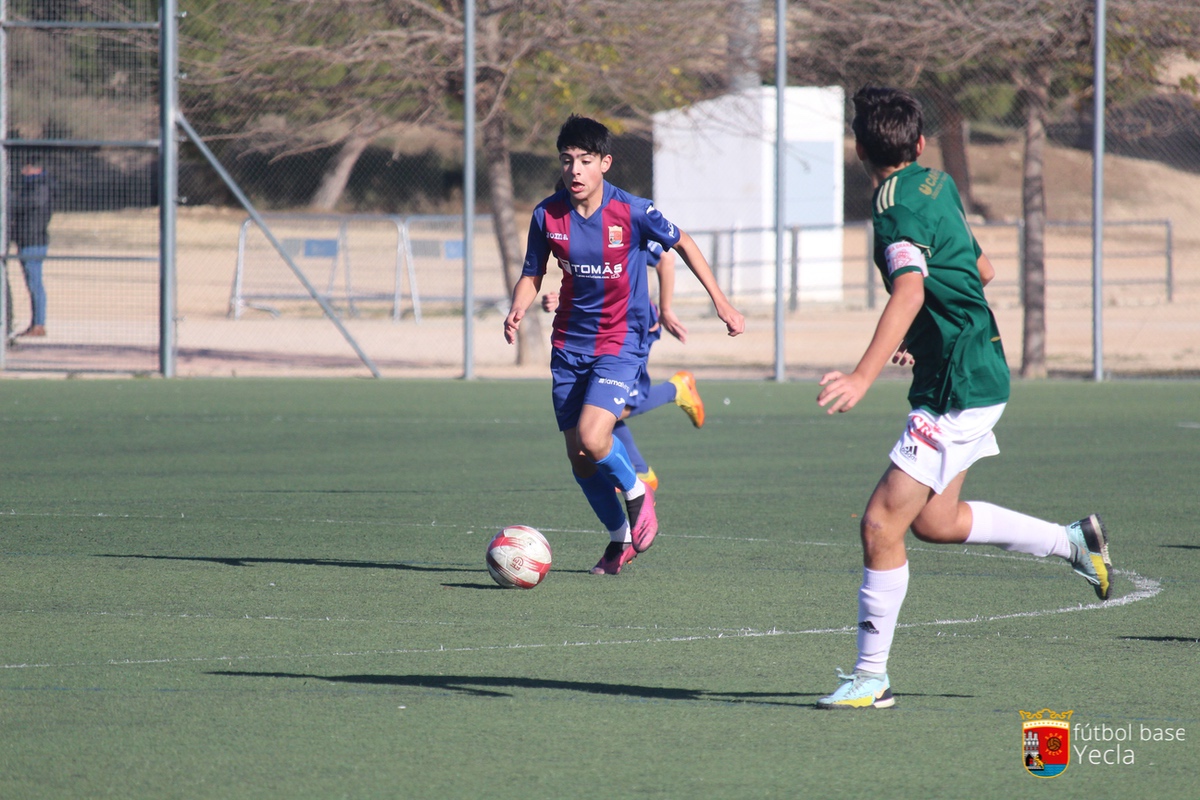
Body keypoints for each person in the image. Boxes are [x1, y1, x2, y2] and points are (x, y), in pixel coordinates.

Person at [813, 86, 1113, 709]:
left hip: (958, 386)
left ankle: (872, 677)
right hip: (970, 367)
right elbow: (979, 270)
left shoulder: (893, 208)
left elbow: (910, 292)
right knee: (936, 522)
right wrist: (922, 338)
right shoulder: (935, 183)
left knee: (879, 524)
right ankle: (1073, 542)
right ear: (919, 145)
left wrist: (863, 376)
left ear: (860, 150)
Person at [505, 114, 744, 576]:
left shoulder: (633, 211)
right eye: (567, 160)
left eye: (585, 160)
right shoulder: (546, 215)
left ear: (605, 164)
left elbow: (684, 245)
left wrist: (722, 303)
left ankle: (638, 493)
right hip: (569, 345)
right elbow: (532, 272)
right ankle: (620, 540)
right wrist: (518, 306)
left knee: (597, 437)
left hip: (621, 341)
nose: (574, 170)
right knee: (579, 458)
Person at [541, 242, 707, 491]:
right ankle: (641, 471)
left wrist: (665, 309)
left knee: (608, 408)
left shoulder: (624, 218)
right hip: (591, 333)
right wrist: (559, 299)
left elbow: (666, 259)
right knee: (597, 408)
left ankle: (676, 389)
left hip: (630, 326)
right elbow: (585, 279)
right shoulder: (573, 225)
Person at [6, 160, 52, 338]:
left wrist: (10, 198)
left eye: (27, 168)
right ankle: (36, 323)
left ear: (37, 168)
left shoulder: (40, 187)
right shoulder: (34, 187)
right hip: (27, 240)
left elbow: (28, 204)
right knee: (33, 283)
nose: (23, 172)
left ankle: (39, 324)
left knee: (35, 283)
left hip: (33, 241)